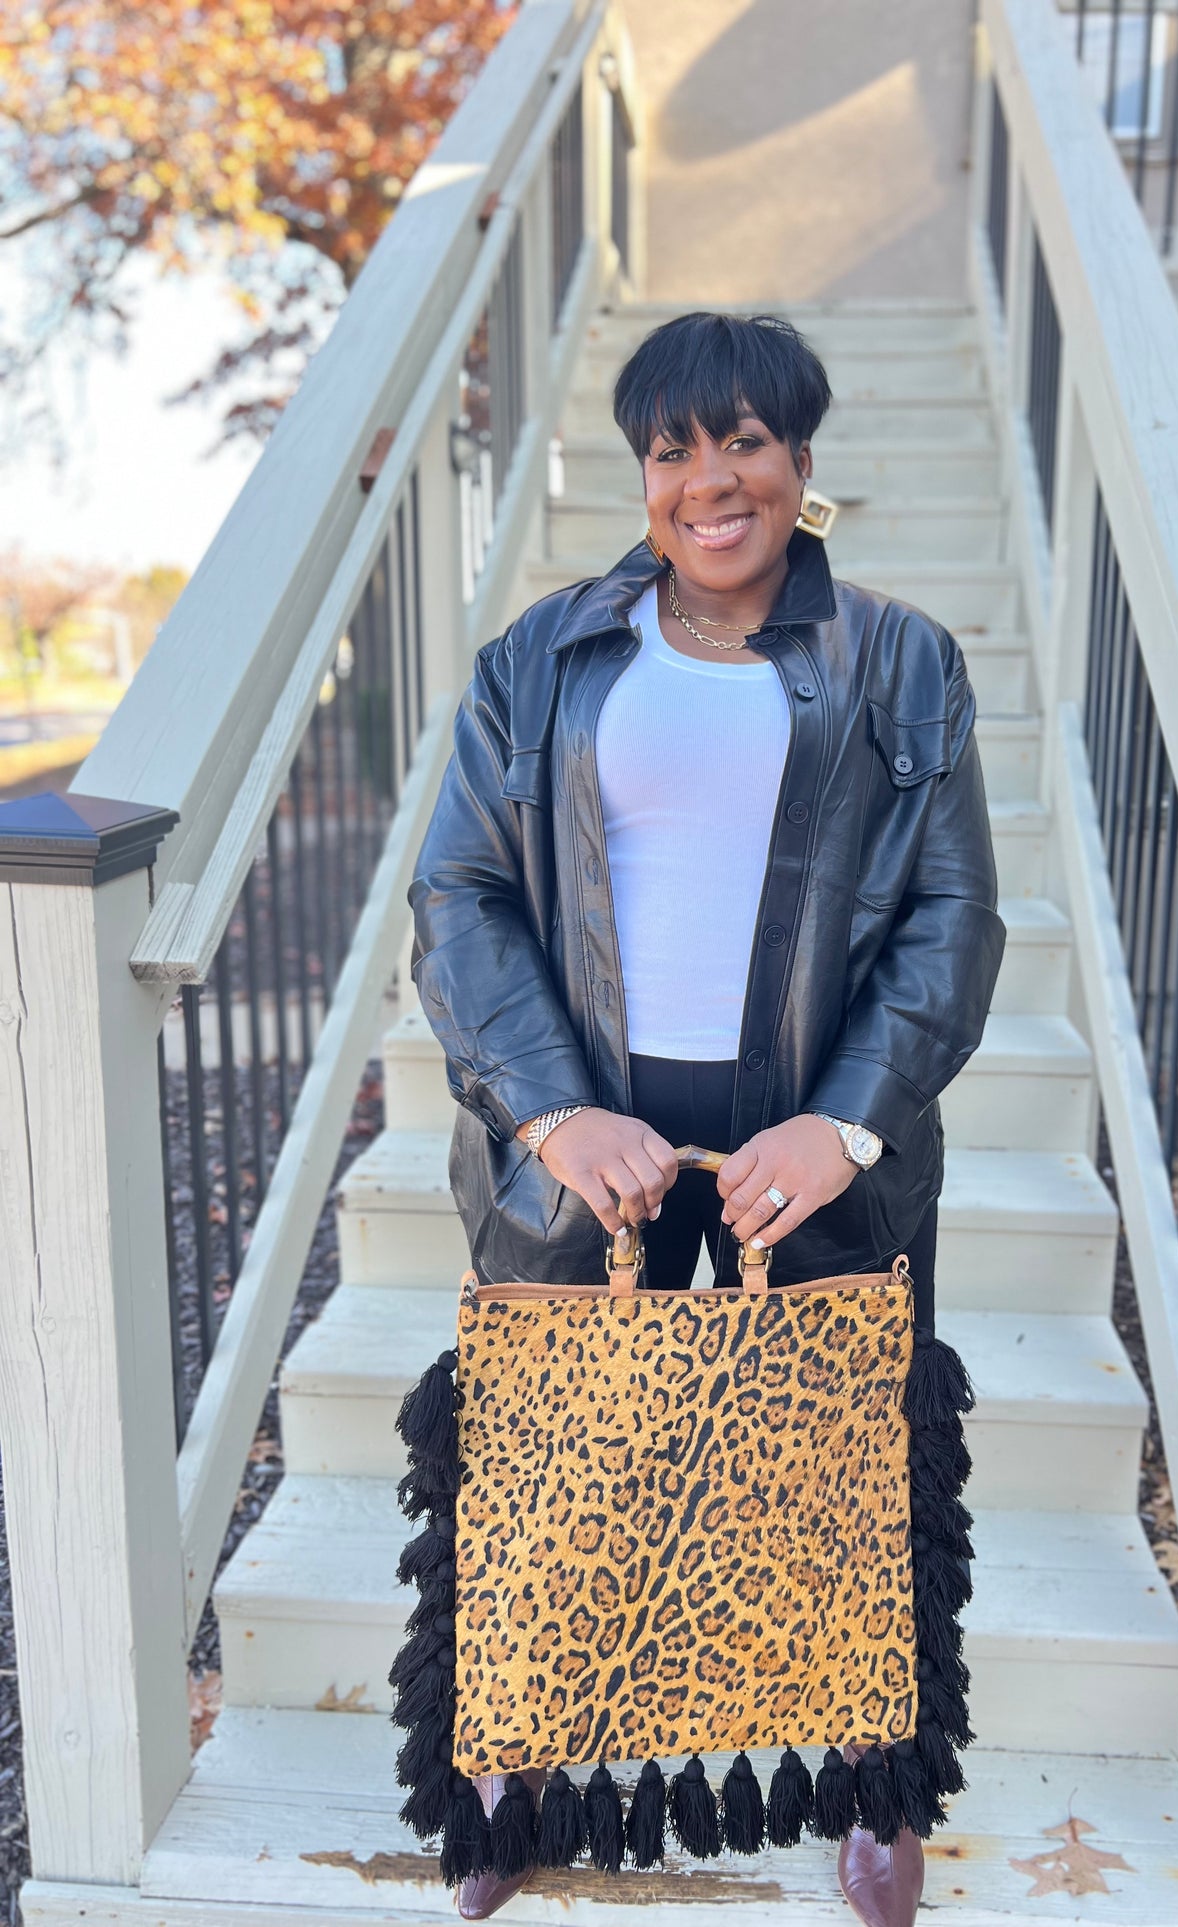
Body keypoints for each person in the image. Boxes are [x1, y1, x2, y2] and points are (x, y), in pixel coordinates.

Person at [408, 311, 1006, 1927]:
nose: (706, 480)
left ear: (800, 461)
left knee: (832, 1468)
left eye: (740, 441)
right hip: (580, 1149)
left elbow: (952, 923)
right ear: (647, 477)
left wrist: (846, 1128)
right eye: (673, 449)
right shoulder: (541, 657)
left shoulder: (900, 658)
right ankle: (512, 1772)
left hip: (806, 1146)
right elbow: (457, 895)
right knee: (554, 1468)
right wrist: (545, 1112)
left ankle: (869, 1786)